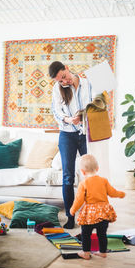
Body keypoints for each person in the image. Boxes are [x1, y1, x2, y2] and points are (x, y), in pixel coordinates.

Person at [49, 61, 92, 229]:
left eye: (64, 77)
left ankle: (90, 215)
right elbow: (56, 112)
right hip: (67, 134)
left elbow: (99, 102)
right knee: (68, 177)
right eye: (60, 81)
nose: (64, 82)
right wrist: (69, 119)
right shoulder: (57, 89)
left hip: (87, 134)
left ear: (67, 68)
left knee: (90, 176)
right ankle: (70, 216)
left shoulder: (88, 83)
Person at [70, 154, 126, 260]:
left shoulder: (83, 183)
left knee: (86, 234)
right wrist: (121, 194)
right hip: (104, 212)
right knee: (102, 234)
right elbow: (112, 192)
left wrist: (73, 210)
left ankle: (86, 252)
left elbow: (79, 200)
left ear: (82, 171)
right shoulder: (104, 181)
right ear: (97, 168)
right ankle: (103, 252)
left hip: (90, 214)